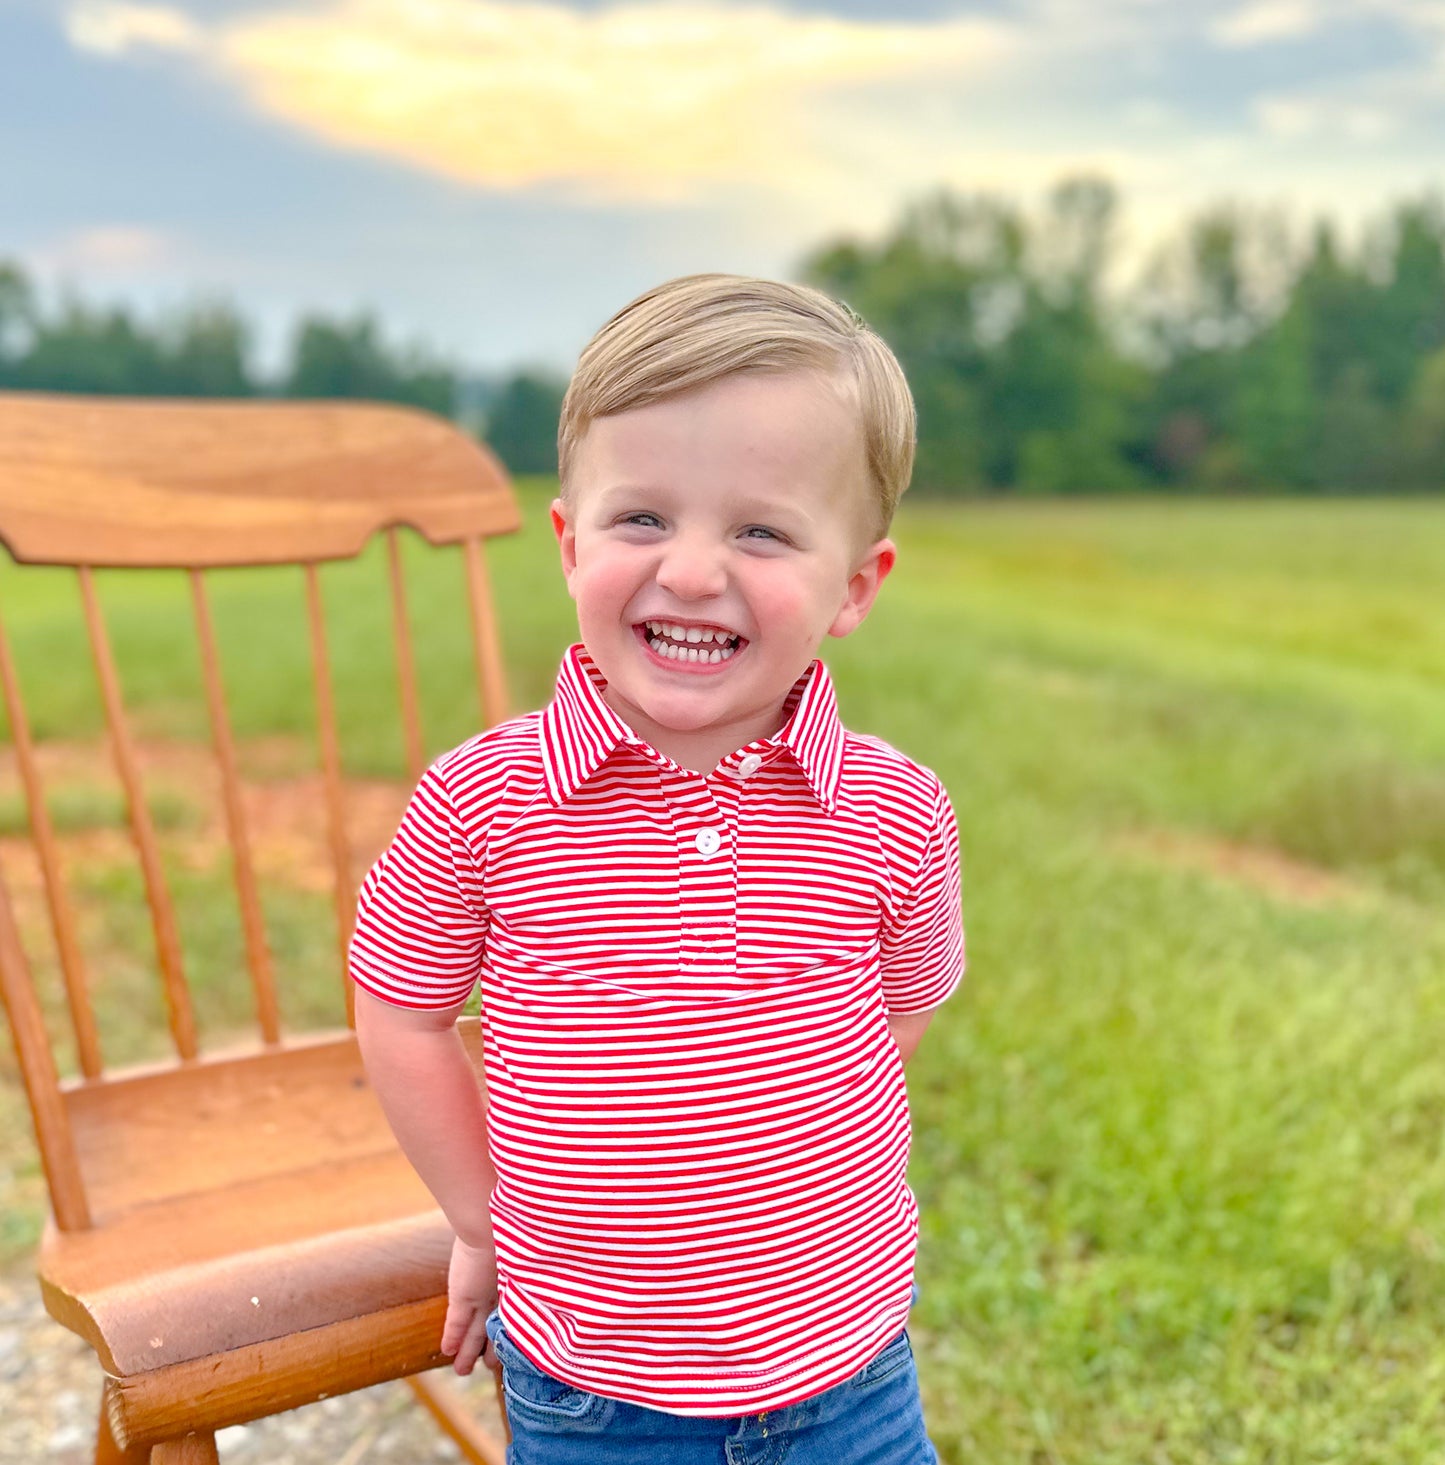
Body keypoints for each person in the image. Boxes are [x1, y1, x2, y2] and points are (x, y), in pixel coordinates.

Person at [349, 273, 965, 1463]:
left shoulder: (892, 810)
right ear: (568, 542)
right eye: (641, 518)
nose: (688, 571)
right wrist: (482, 1218)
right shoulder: (486, 801)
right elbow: (401, 1010)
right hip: (596, 1393)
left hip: (850, 1376)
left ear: (853, 585)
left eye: (759, 530)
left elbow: (898, 1013)